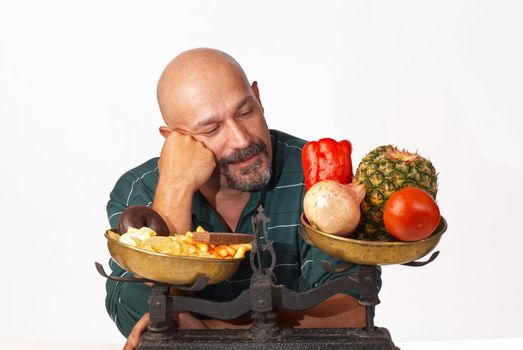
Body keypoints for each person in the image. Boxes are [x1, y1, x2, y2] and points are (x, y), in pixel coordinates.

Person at [105, 48, 380, 349]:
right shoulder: (140, 189)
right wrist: (175, 188)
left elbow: (350, 312)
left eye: (245, 111)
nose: (242, 139)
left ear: (258, 97)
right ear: (173, 139)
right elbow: (135, 309)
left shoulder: (319, 175)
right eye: (212, 128)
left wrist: (207, 333)